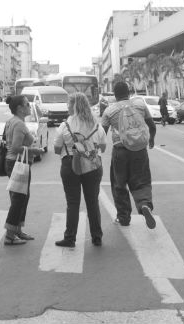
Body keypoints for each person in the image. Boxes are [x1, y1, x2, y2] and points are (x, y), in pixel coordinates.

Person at [53, 93, 107, 247]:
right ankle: (97, 237)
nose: (67, 107)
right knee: (92, 202)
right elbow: (103, 146)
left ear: (74, 106)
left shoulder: (65, 125)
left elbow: (57, 149)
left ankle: (70, 238)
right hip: (93, 164)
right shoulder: (96, 124)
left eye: (69, 105)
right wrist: (89, 147)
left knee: (73, 203)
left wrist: (73, 147)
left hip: (70, 165)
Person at [101, 81, 157, 229]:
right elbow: (152, 125)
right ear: (129, 93)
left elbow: (102, 134)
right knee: (142, 180)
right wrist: (151, 140)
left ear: (114, 94)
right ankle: (144, 204)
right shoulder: (139, 105)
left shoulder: (109, 110)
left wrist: (98, 149)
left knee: (119, 184)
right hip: (139, 150)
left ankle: (124, 217)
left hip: (120, 151)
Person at [3, 95, 45, 245]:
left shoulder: (12, 121)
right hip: (17, 162)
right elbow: (15, 147)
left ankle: (17, 230)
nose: (29, 106)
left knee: (22, 197)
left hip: (14, 162)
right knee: (19, 199)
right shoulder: (19, 124)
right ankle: (10, 234)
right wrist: (34, 151)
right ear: (20, 108)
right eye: (27, 104)